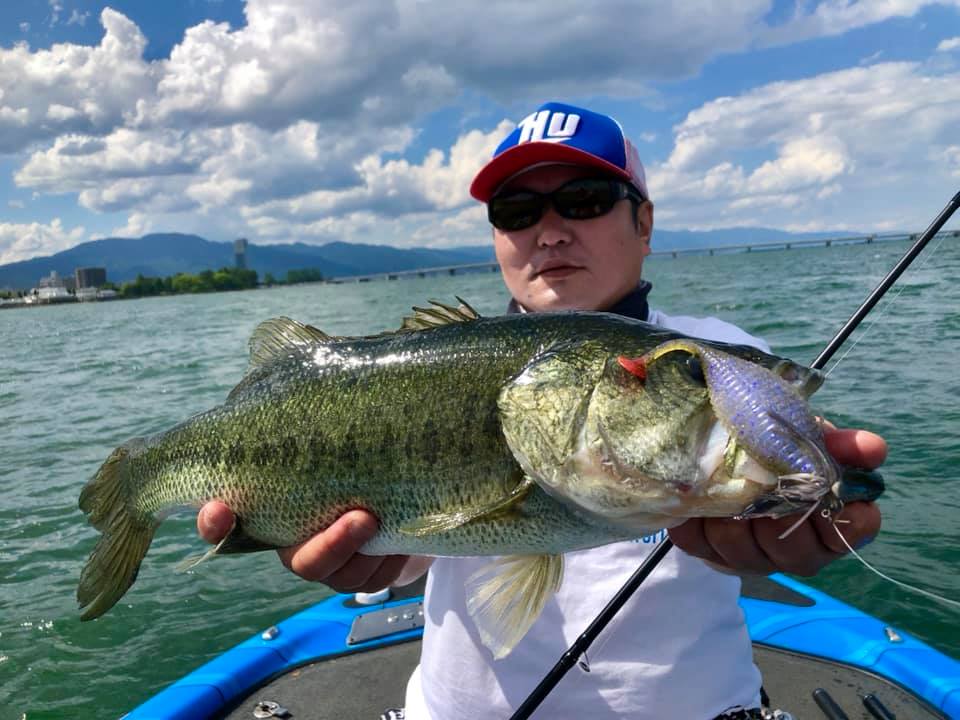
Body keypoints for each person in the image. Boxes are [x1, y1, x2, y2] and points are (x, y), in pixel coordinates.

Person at [198, 101, 884, 719]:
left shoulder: (718, 351)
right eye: (517, 211)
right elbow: (415, 548)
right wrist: (371, 556)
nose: (549, 232)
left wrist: (808, 505)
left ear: (644, 222)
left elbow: (791, 460)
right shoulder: (436, 369)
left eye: (584, 200)